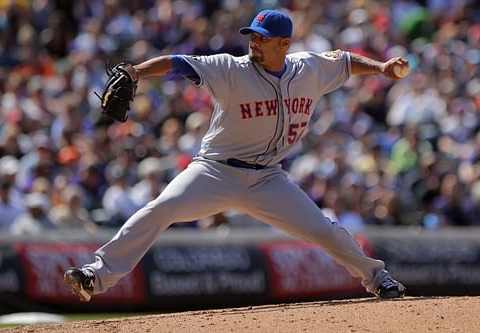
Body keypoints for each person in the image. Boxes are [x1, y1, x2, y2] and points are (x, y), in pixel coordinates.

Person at [64, 9, 407, 302]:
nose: (254, 43)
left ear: (284, 45)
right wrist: (137, 71)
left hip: (269, 178)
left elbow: (346, 61)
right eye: (252, 36)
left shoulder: (309, 68)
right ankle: (95, 275)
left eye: (262, 38)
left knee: (324, 230)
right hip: (215, 171)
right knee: (162, 208)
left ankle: (378, 279)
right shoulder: (231, 69)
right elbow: (178, 63)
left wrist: (381, 68)